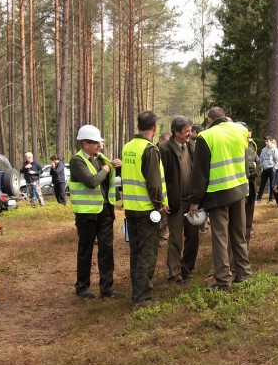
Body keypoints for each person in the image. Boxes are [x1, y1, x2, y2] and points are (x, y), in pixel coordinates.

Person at [189, 106, 252, 289]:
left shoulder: (206, 137)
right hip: (239, 190)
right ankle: (244, 273)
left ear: (209, 119)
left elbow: (199, 173)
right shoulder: (240, 130)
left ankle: (223, 280)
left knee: (220, 238)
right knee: (238, 234)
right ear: (224, 117)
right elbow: (246, 158)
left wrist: (195, 201)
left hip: (218, 195)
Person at [69, 125, 122, 299]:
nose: (100, 146)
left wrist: (116, 166)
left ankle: (107, 288)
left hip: (105, 212)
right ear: (85, 144)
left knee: (107, 250)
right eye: (96, 143)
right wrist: (105, 169)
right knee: (86, 250)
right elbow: (92, 181)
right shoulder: (77, 161)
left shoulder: (100, 158)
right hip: (87, 215)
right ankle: (82, 287)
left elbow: (111, 177)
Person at [122, 111, 169, 306]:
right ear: (154, 128)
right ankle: (142, 298)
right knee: (147, 254)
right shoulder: (149, 150)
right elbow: (154, 184)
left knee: (136, 252)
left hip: (131, 208)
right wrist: (160, 206)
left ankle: (137, 292)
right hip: (147, 210)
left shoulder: (128, 147)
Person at [159, 115, 199, 284]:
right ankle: (174, 274)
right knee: (176, 239)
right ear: (175, 132)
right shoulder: (165, 150)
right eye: (186, 132)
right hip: (175, 202)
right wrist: (163, 200)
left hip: (192, 201)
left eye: (190, 131)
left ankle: (187, 268)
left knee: (193, 236)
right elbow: (160, 177)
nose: (189, 134)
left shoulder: (192, 145)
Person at [257, 137, 278, 202]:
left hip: (272, 169)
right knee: (262, 184)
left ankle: (271, 199)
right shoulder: (263, 149)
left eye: (267, 141)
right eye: (265, 141)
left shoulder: (274, 149)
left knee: (271, 185)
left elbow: (277, 161)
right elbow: (261, 159)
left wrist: (274, 168)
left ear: (271, 141)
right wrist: (261, 166)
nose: (266, 142)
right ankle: (259, 198)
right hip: (265, 169)